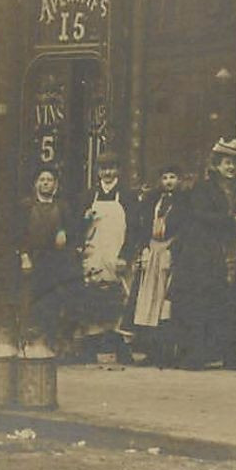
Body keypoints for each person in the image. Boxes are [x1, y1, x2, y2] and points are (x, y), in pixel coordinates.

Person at [170, 137, 236, 369]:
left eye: (234, 164)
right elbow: (200, 215)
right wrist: (231, 221)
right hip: (204, 252)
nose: (231, 168)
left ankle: (230, 354)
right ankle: (196, 354)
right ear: (216, 164)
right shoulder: (204, 188)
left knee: (231, 300)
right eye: (227, 163)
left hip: (233, 250)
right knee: (202, 302)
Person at [72, 153, 139, 361]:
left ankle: (120, 346)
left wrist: (125, 256)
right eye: (103, 169)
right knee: (94, 295)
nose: (107, 173)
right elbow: (76, 227)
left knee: (120, 297)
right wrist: (84, 222)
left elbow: (135, 228)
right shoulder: (88, 195)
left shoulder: (127, 196)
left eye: (111, 168)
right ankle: (92, 344)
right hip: (94, 254)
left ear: (118, 170)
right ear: (98, 171)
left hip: (117, 255)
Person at [127, 164, 182, 365]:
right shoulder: (154, 201)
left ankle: (167, 353)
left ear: (179, 180)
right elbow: (144, 225)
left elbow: (183, 229)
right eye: (165, 177)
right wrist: (144, 248)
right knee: (148, 301)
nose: (168, 181)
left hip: (169, 251)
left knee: (164, 304)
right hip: (152, 251)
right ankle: (150, 350)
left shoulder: (183, 203)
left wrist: (173, 249)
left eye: (173, 177)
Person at [19, 167, 77, 348]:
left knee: (54, 302)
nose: (45, 183)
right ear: (36, 184)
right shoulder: (26, 206)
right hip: (33, 260)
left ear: (56, 185)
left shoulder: (63, 207)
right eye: (42, 179)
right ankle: (30, 344)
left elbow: (73, 233)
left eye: (49, 180)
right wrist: (24, 256)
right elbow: (19, 234)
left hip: (56, 262)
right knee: (31, 301)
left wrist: (64, 233)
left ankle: (51, 344)